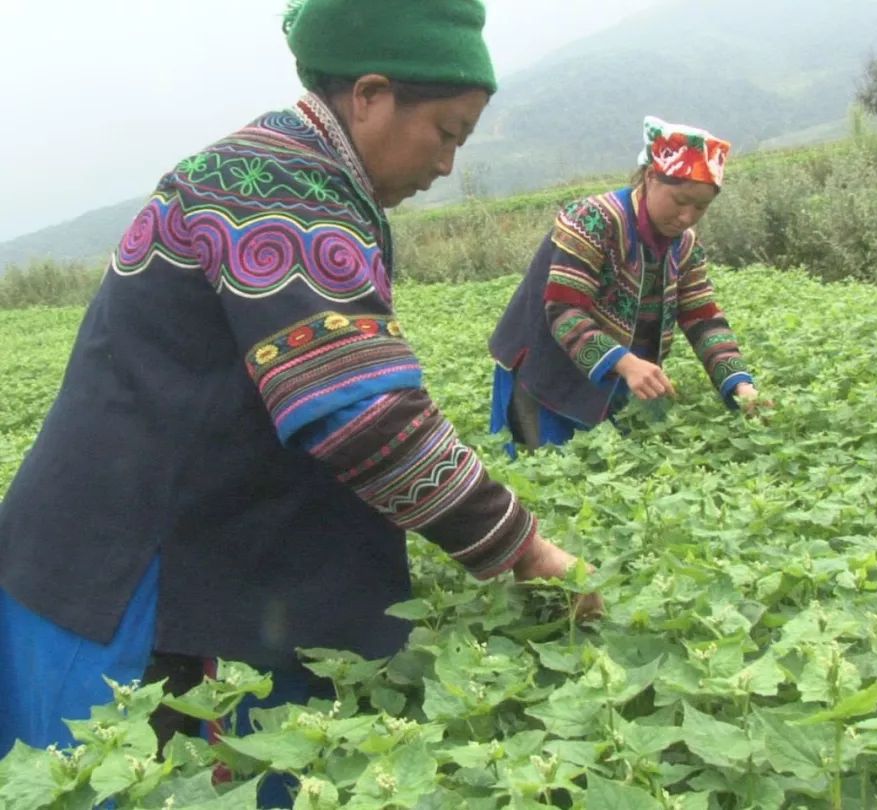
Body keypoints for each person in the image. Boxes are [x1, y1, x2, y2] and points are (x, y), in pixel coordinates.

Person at [0, 0, 598, 762]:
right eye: (447, 133)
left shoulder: (304, 174)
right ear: (372, 95)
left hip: (169, 529)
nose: (448, 164)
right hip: (133, 565)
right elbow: (363, 413)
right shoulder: (274, 187)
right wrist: (526, 548)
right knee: (139, 771)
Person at [489, 116, 765, 452]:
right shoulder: (591, 221)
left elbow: (702, 317)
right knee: (545, 468)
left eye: (701, 207)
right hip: (544, 368)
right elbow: (564, 310)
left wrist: (739, 384)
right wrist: (626, 362)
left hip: (616, 371)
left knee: (608, 467)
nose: (687, 216)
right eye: (680, 201)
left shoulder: (685, 245)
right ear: (651, 177)